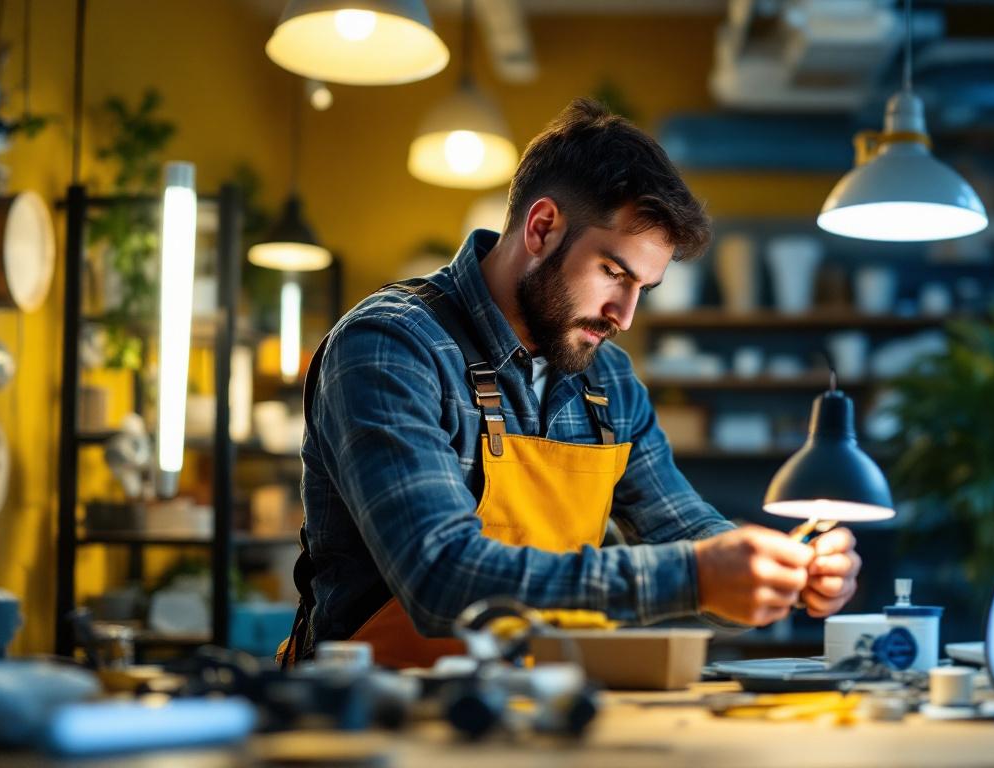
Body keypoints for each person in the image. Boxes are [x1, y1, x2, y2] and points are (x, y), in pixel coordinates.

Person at [280, 98, 862, 668]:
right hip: (367, 722)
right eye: (613, 272)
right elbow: (441, 577)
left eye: (644, 289)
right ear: (542, 228)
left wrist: (775, 571)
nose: (625, 315)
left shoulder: (607, 380)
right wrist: (695, 576)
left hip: (533, 713)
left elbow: (682, 529)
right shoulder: (392, 346)